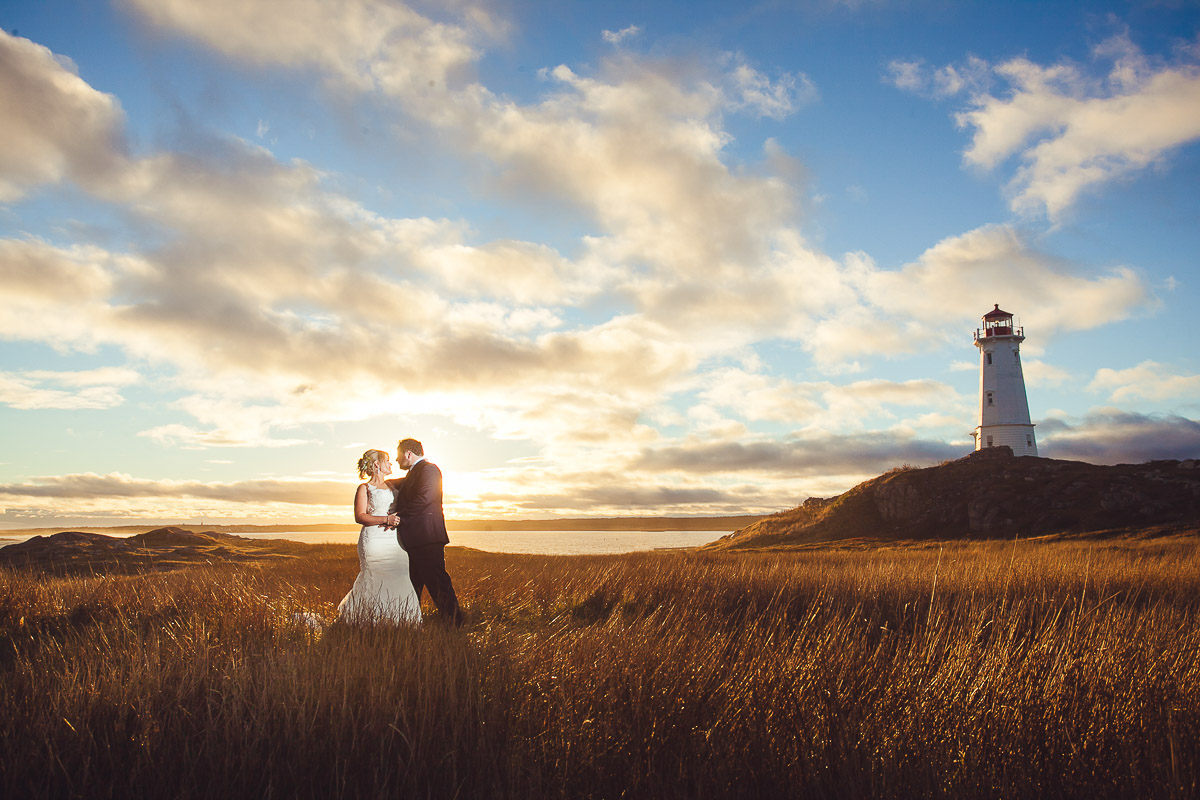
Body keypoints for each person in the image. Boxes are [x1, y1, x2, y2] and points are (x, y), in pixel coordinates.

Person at [336, 449, 422, 624]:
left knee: (400, 574)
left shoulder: (393, 486)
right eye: (387, 461)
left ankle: (402, 621)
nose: (391, 464)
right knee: (376, 576)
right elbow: (360, 516)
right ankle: (367, 621)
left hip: (394, 540)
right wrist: (386, 519)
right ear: (377, 464)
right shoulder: (364, 488)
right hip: (374, 539)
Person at [390, 438, 465, 626]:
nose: (397, 461)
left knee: (437, 581)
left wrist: (398, 515)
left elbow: (425, 498)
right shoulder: (415, 473)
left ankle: (455, 622)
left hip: (427, 536)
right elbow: (405, 484)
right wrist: (380, 483)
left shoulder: (429, 469)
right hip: (416, 538)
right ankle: (411, 621)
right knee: (412, 583)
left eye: (398, 456)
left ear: (408, 453)